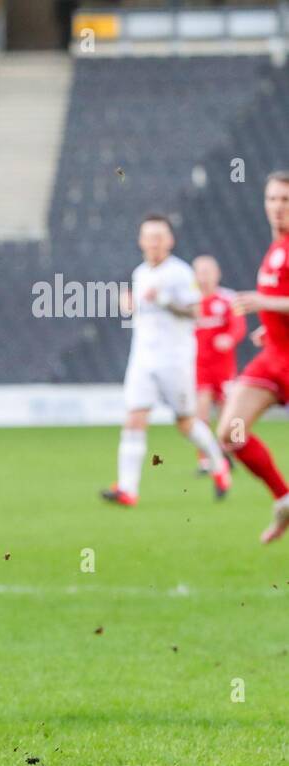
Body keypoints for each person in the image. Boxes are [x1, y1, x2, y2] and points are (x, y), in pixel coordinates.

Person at [101, 214, 230, 506]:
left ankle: (218, 464)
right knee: (134, 417)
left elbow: (195, 312)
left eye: (160, 236)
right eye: (149, 236)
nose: (154, 243)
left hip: (175, 359)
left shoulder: (181, 273)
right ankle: (128, 489)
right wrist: (130, 306)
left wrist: (163, 300)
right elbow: (143, 312)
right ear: (141, 241)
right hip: (143, 358)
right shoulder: (139, 273)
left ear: (170, 240)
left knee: (186, 423)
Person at [218, 171, 289, 542]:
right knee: (231, 432)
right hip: (275, 358)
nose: (277, 208)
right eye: (272, 199)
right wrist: (271, 325)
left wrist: (265, 303)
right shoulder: (276, 247)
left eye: (285, 201)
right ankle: (285, 500)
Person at [191, 255, 243, 474]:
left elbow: (239, 326)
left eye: (208, 271)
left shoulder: (229, 299)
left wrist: (229, 338)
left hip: (223, 368)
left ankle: (229, 454)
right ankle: (206, 460)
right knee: (201, 414)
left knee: (229, 415)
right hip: (199, 367)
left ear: (217, 274)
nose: (204, 277)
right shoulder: (189, 302)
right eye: (199, 272)